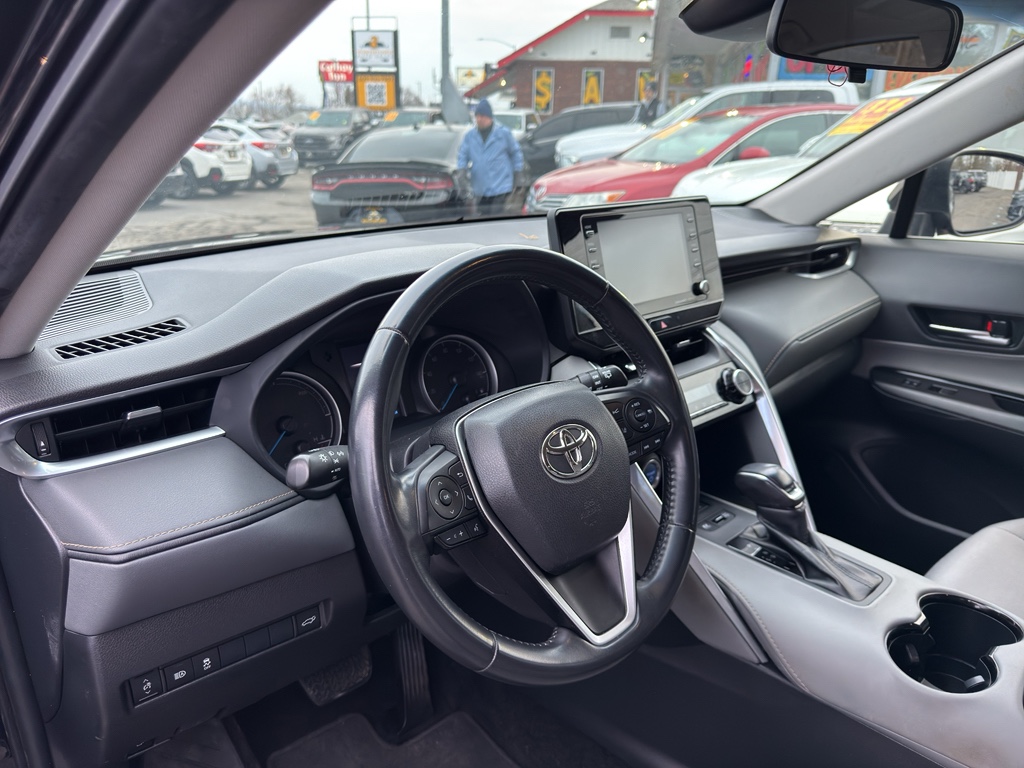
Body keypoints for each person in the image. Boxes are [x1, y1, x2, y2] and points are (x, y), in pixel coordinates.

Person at [457, 99, 526, 216]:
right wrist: (461, 170)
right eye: (478, 116)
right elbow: (462, 155)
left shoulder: (503, 134)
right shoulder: (470, 136)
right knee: (483, 216)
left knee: (496, 216)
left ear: (490, 117)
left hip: (501, 186)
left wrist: (518, 173)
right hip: (480, 187)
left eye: (483, 116)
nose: (480, 119)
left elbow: (516, 153)